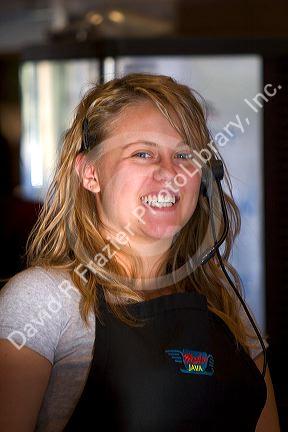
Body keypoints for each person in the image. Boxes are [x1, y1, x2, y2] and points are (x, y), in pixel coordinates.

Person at [0, 73, 280, 431]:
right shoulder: (43, 302)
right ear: (90, 173)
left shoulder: (225, 308)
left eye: (184, 154)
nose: (170, 173)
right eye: (143, 153)